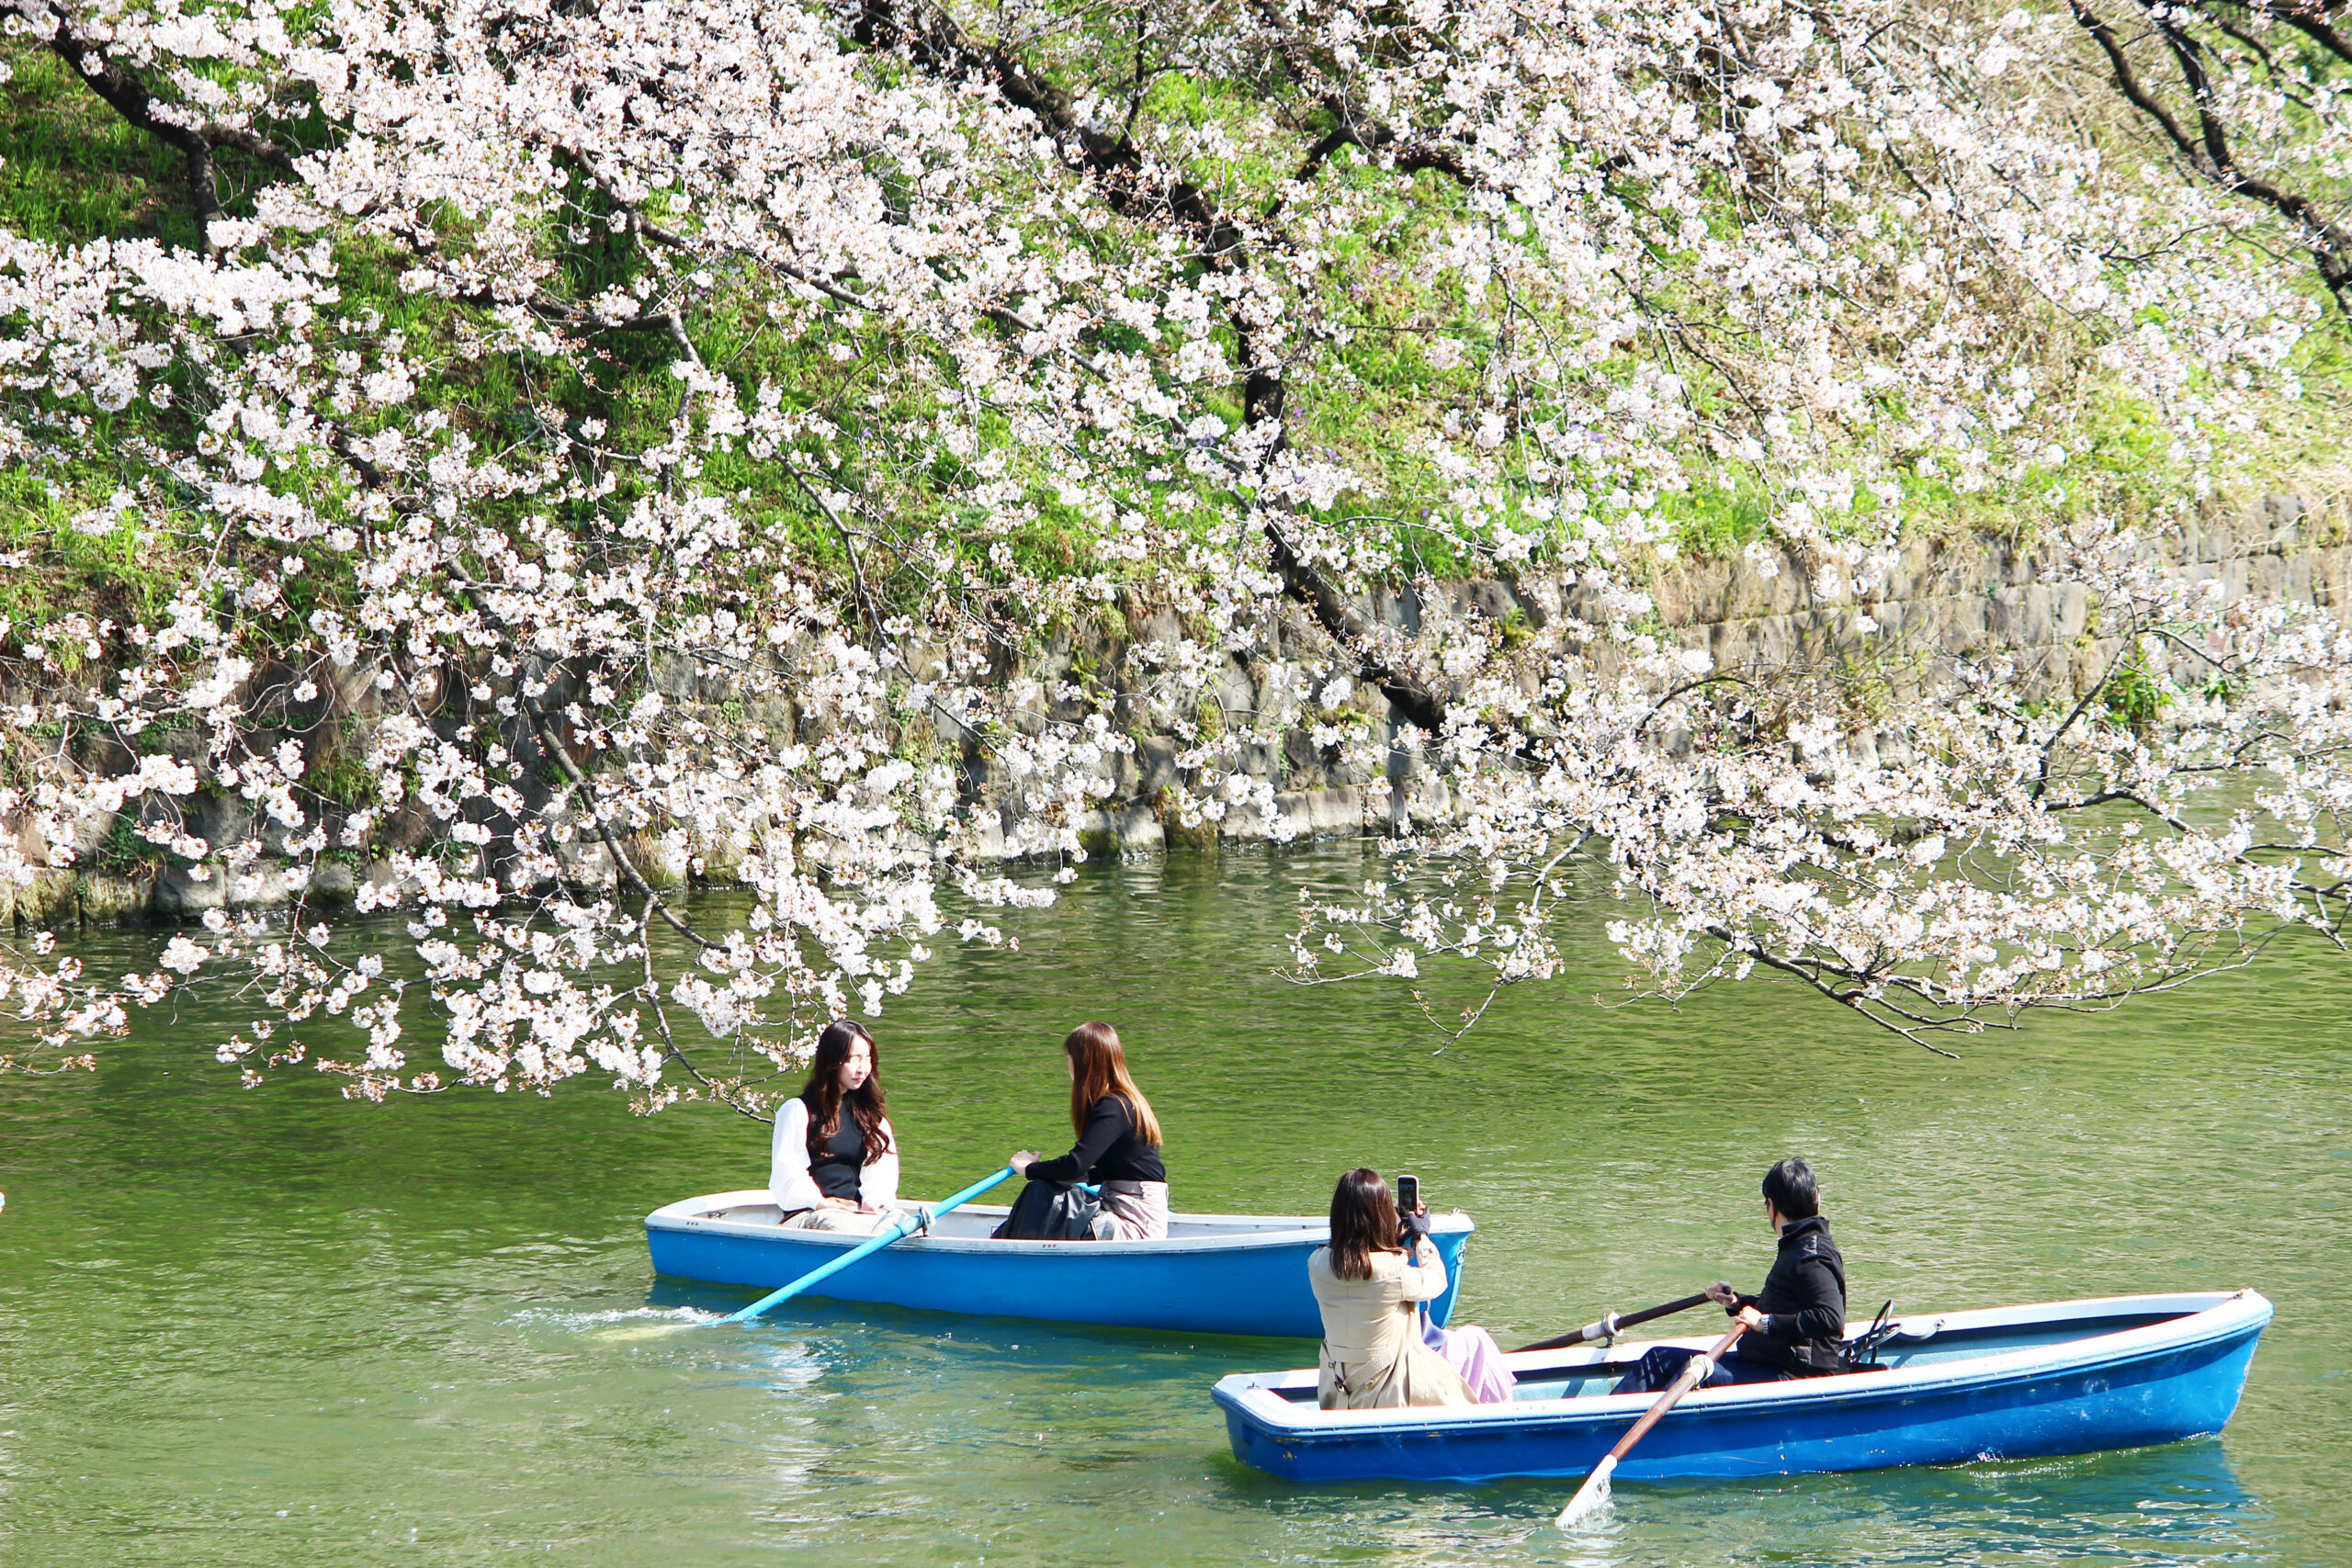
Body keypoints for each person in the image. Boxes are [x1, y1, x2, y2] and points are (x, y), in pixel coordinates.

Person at [1617, 1156, 1849, 1393]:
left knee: (1691, 1378)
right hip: (1765, 1363)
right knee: (1658, 1361)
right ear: (1816, 1200)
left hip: (1793, 1377)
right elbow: (1786, 1305)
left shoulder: (1812, 1255)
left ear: (1772, 1206)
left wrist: (1764, 1323)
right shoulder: (1796, 1245)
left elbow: (1830, 1318)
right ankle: (1611, 1417)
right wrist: (1736, 1303)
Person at [1307, 1168, 1513, 1410]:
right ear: (1381, 1216)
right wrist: (1421, 1236)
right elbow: (1437, 1280)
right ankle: (1505, 1417)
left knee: (1448, 1342)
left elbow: (1361, 1271)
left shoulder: (1317, 1264)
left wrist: (1391, 1242)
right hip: (1388, 1395)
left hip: (1339, 1393)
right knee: (1476, 1340)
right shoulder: (1392, 1270)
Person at [1007, 1021, 1170, 1240]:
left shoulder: (1113, 1106)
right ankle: (1008, 1249)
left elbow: (1075, 1164)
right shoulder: (1123, 1101)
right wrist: (1055, 1175)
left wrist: (1028, 1168)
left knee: (1039, 1191)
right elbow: (1111, 1171)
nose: (1068, 1065)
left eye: (1069, 1058)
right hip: (1120, 1205)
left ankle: (1006, 1254)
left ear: (1083, 1062)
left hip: (1134, 1220)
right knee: (1046, 1190)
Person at [770, 1019, 900, 1233]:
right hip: (810, 1212)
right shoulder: (798, 1111)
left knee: (905, 1226)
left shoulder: (870, 1116)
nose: (863, 1069)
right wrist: (821, 1202)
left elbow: (880, 1172)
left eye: (868, 1060)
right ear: (833, 1061)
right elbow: (788, 1173)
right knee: (838, 1226)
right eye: (854, 1059)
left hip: (857, 1211)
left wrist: (872, 1202)